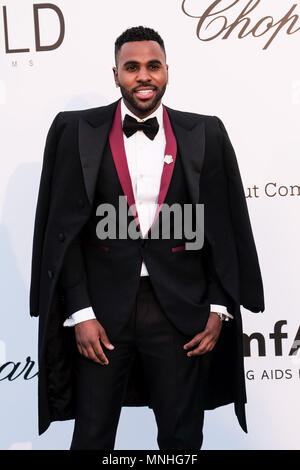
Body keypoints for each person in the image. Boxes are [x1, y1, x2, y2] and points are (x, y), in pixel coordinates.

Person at [29, 26, 264, 450]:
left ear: (167, 72)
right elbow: (65, 233)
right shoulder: (77, 131)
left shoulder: (204, 133)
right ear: (115, 74)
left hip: (179, 313)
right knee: (92, 438)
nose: (143, 76)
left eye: (153, 66)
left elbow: (223, 230)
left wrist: (217, 306)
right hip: (100, 315)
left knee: (182, 439)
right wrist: (80, 312)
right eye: (132, 67)